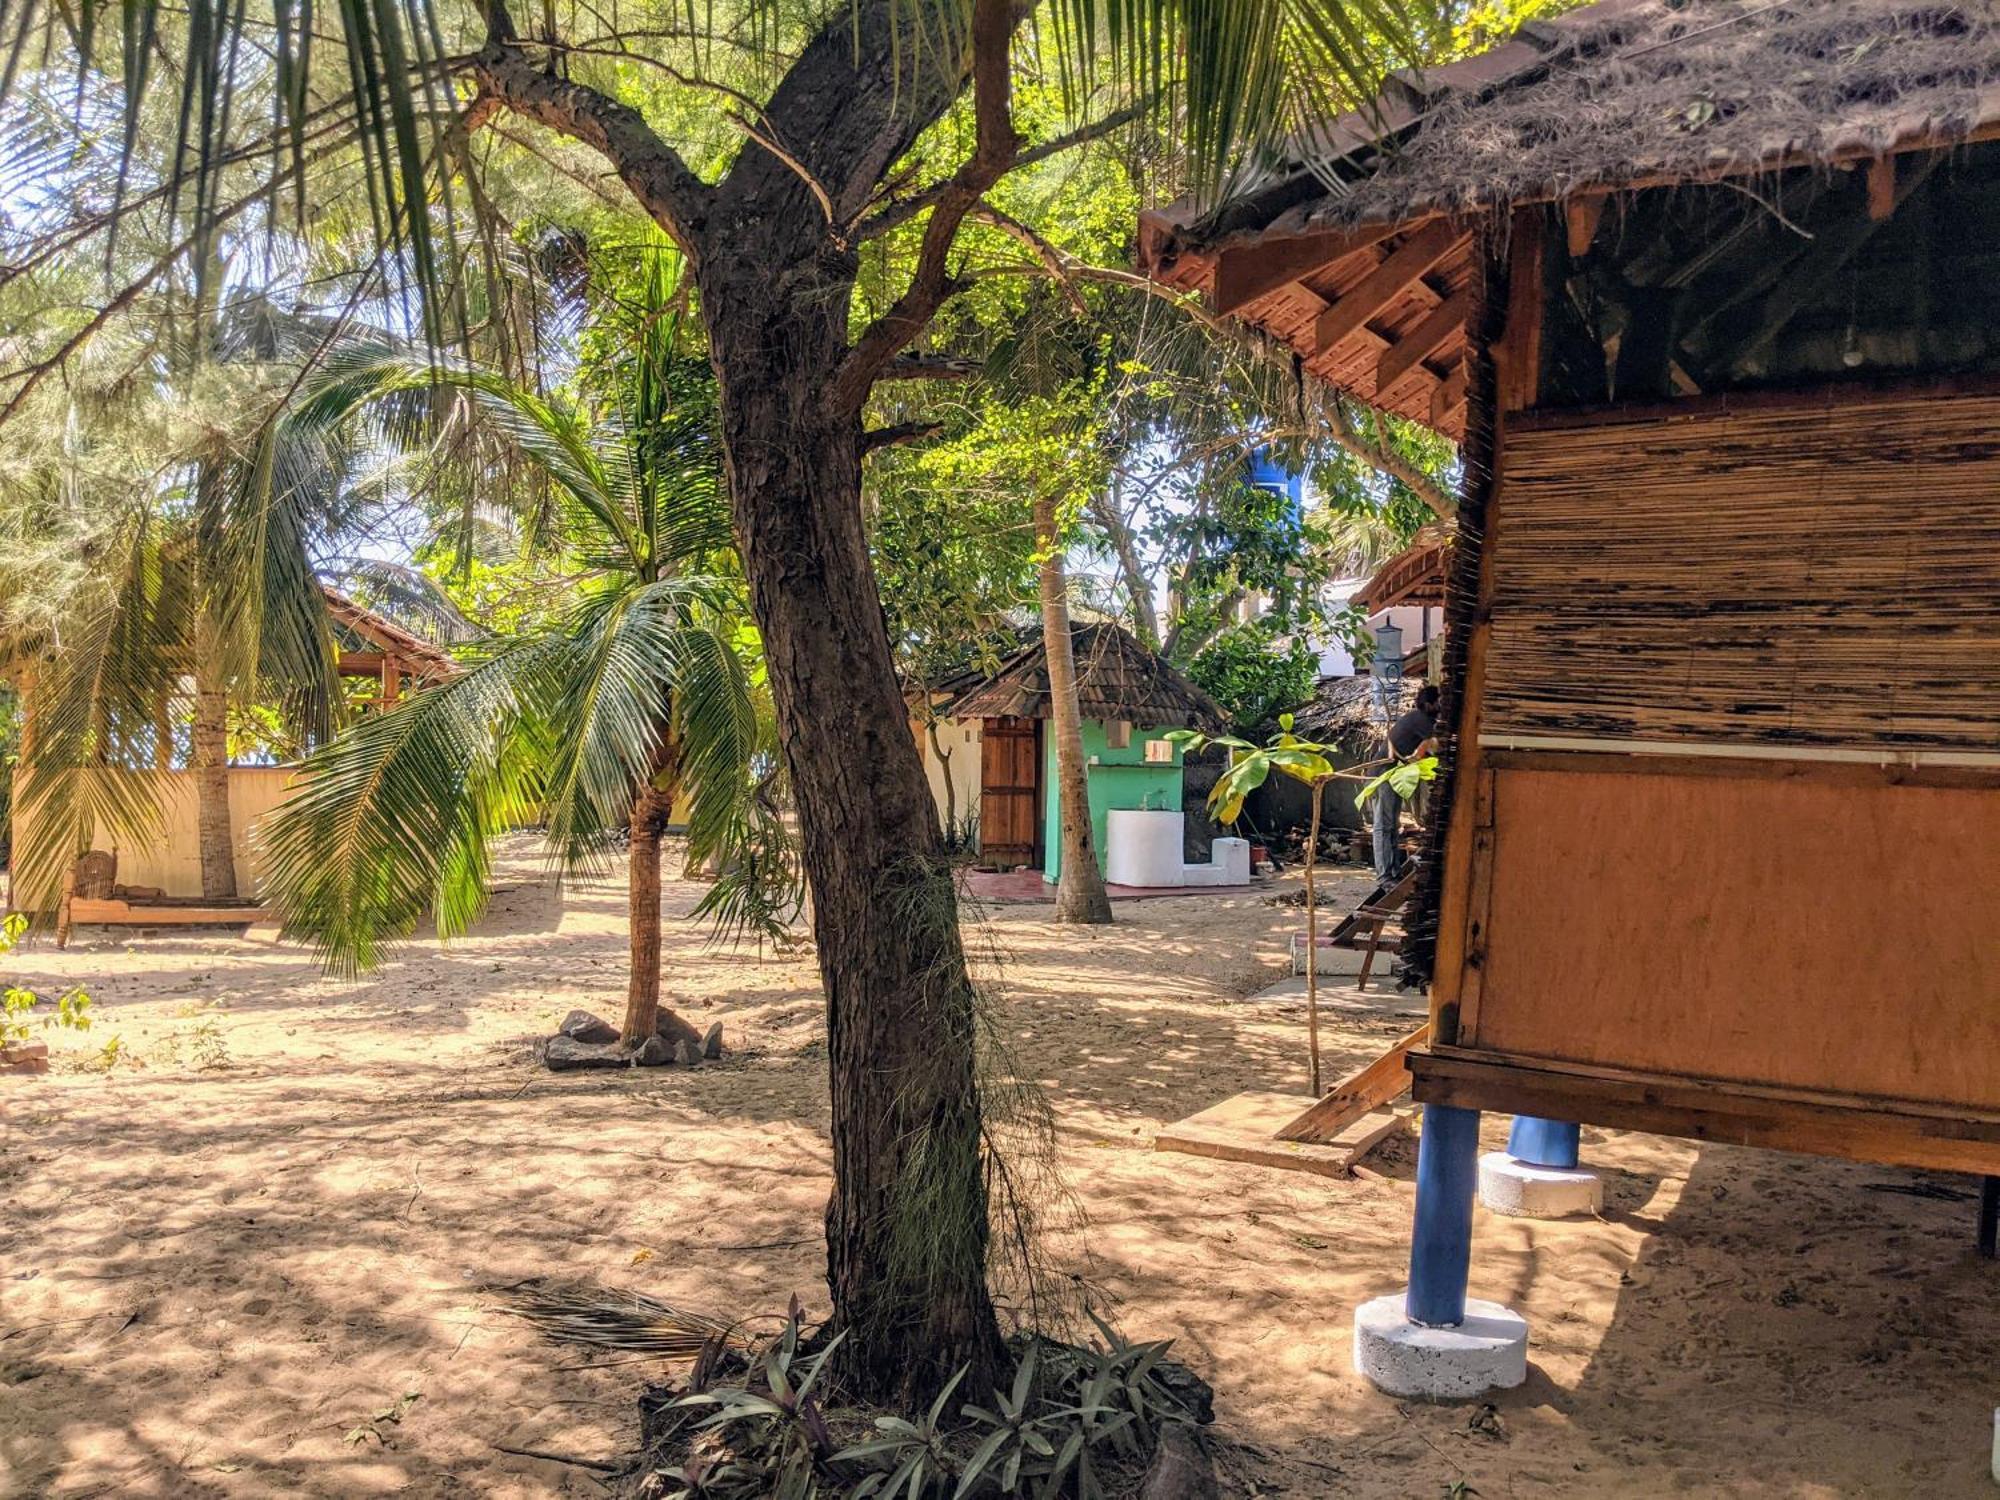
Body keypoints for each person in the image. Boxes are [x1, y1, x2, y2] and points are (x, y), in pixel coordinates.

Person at [1372, 682, 1440, 882]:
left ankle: (1392, 873)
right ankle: (1385, 876)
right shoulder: (1421, 720)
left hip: (1393, 773)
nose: (1442, 706)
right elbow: (1437, 747)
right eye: (1439, 702)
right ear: (1429, 704)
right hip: (1385, 772)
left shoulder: (1418, 719)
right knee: (1384, 826)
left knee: (1391, 825)